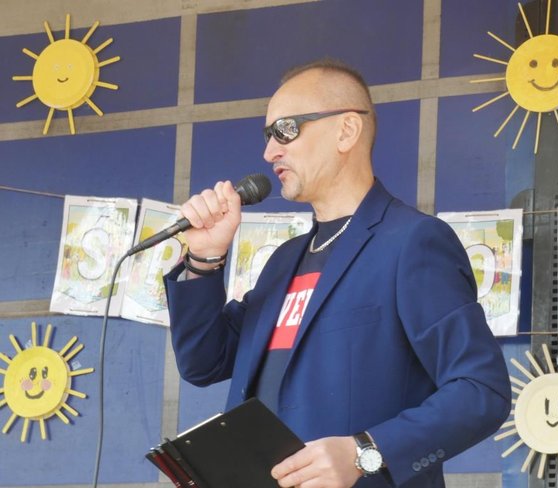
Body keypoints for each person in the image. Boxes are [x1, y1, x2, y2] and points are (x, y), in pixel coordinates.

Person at [164, 58, 511, 488]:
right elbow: (203, 363)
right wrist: (204, 259)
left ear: (346, 130)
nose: (269, 152)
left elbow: (481, 390)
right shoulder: (284, 261)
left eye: (285, 130)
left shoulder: (412, 242)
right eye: (267, 135)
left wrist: (366, 452)